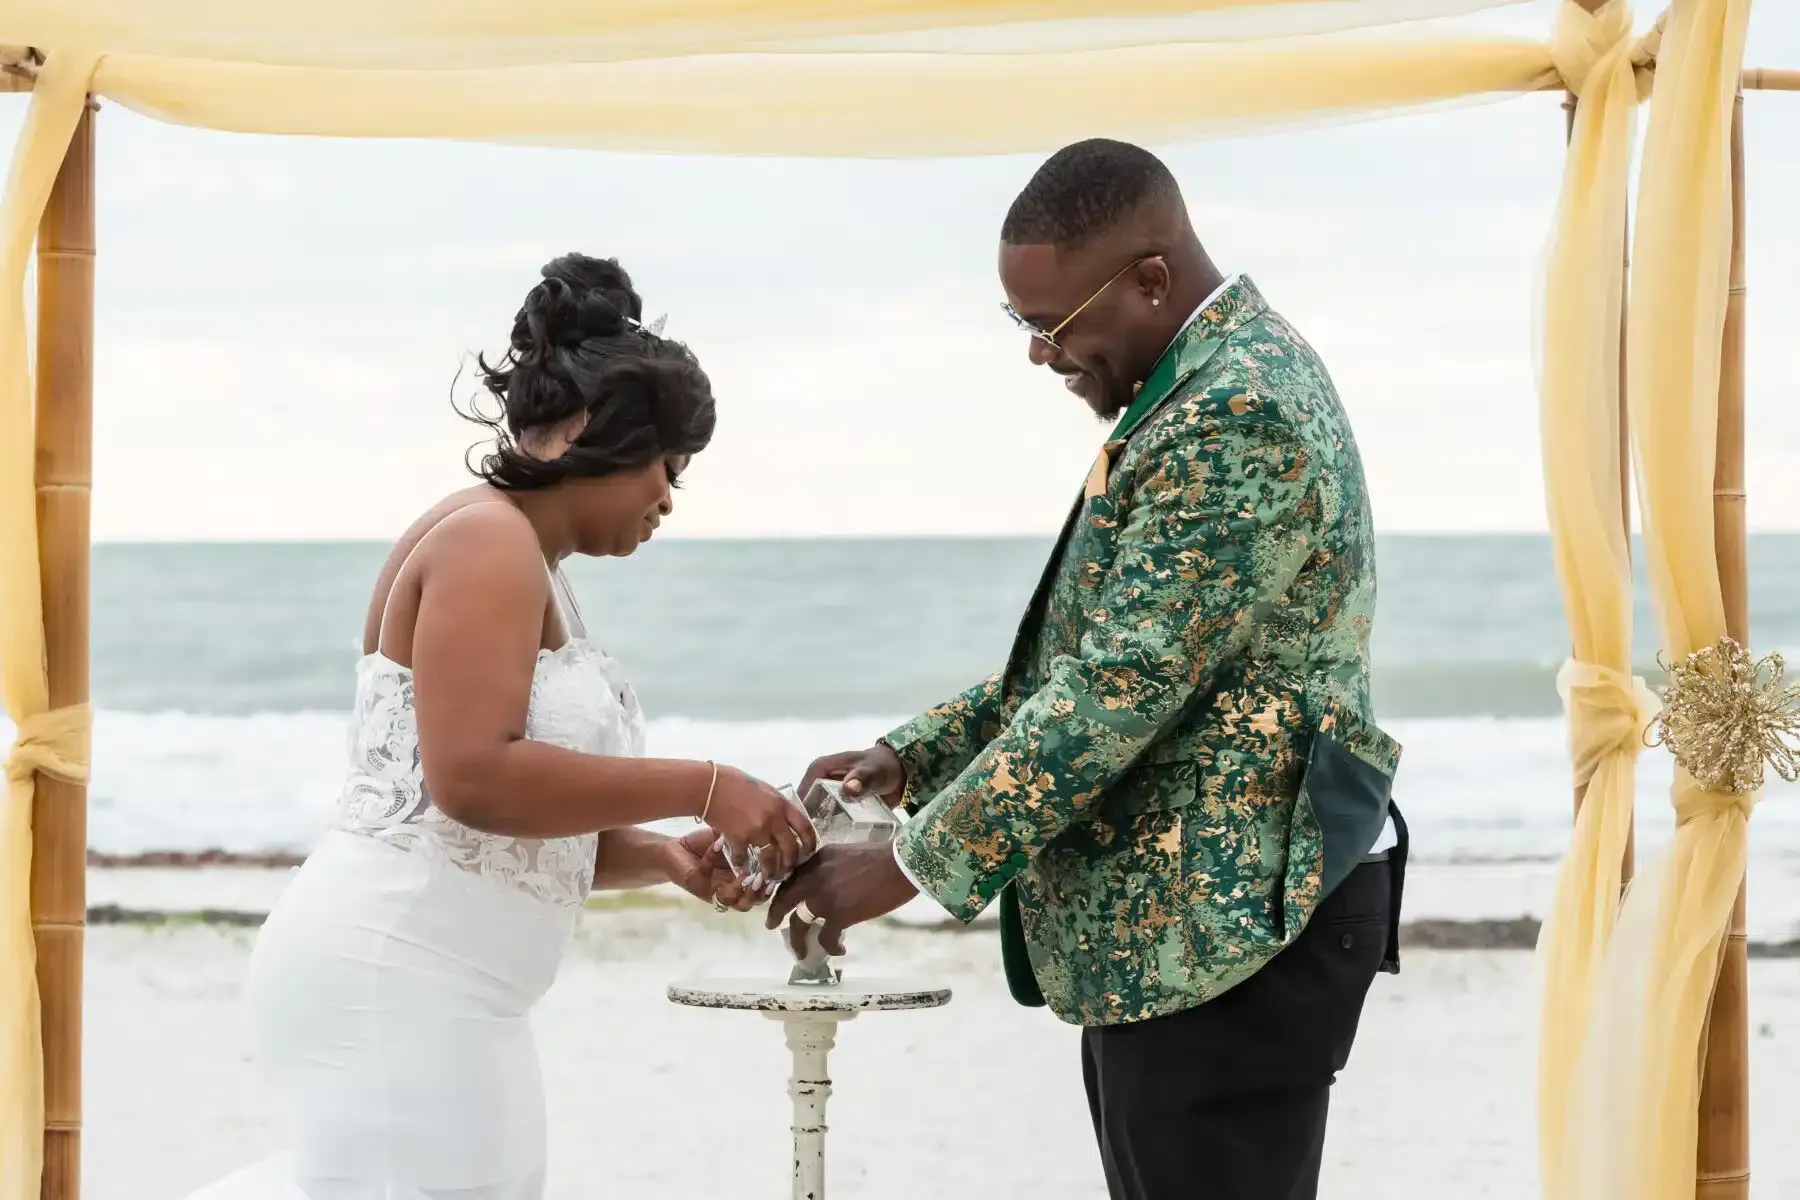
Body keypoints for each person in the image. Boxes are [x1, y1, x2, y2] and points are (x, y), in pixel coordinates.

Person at [769, 140, 1407, 1200]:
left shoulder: (1235, 407)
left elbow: (1120, 689)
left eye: (1050, 326)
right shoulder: (1194, 389)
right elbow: (1096, 660)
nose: (1039, 355)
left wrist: (917, 862)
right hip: (1178, 946)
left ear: (1151, 279)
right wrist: (909, 757)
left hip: (1225, 939)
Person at [188, 252, 813, 1200]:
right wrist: (708, 783)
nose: (671, 499)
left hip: (448, 991)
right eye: (669, 466)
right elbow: (473, 778)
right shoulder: (487, 541)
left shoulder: (529, 558)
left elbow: (494, 830)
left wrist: (662, 858)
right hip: (394, 978)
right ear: (591, 435)